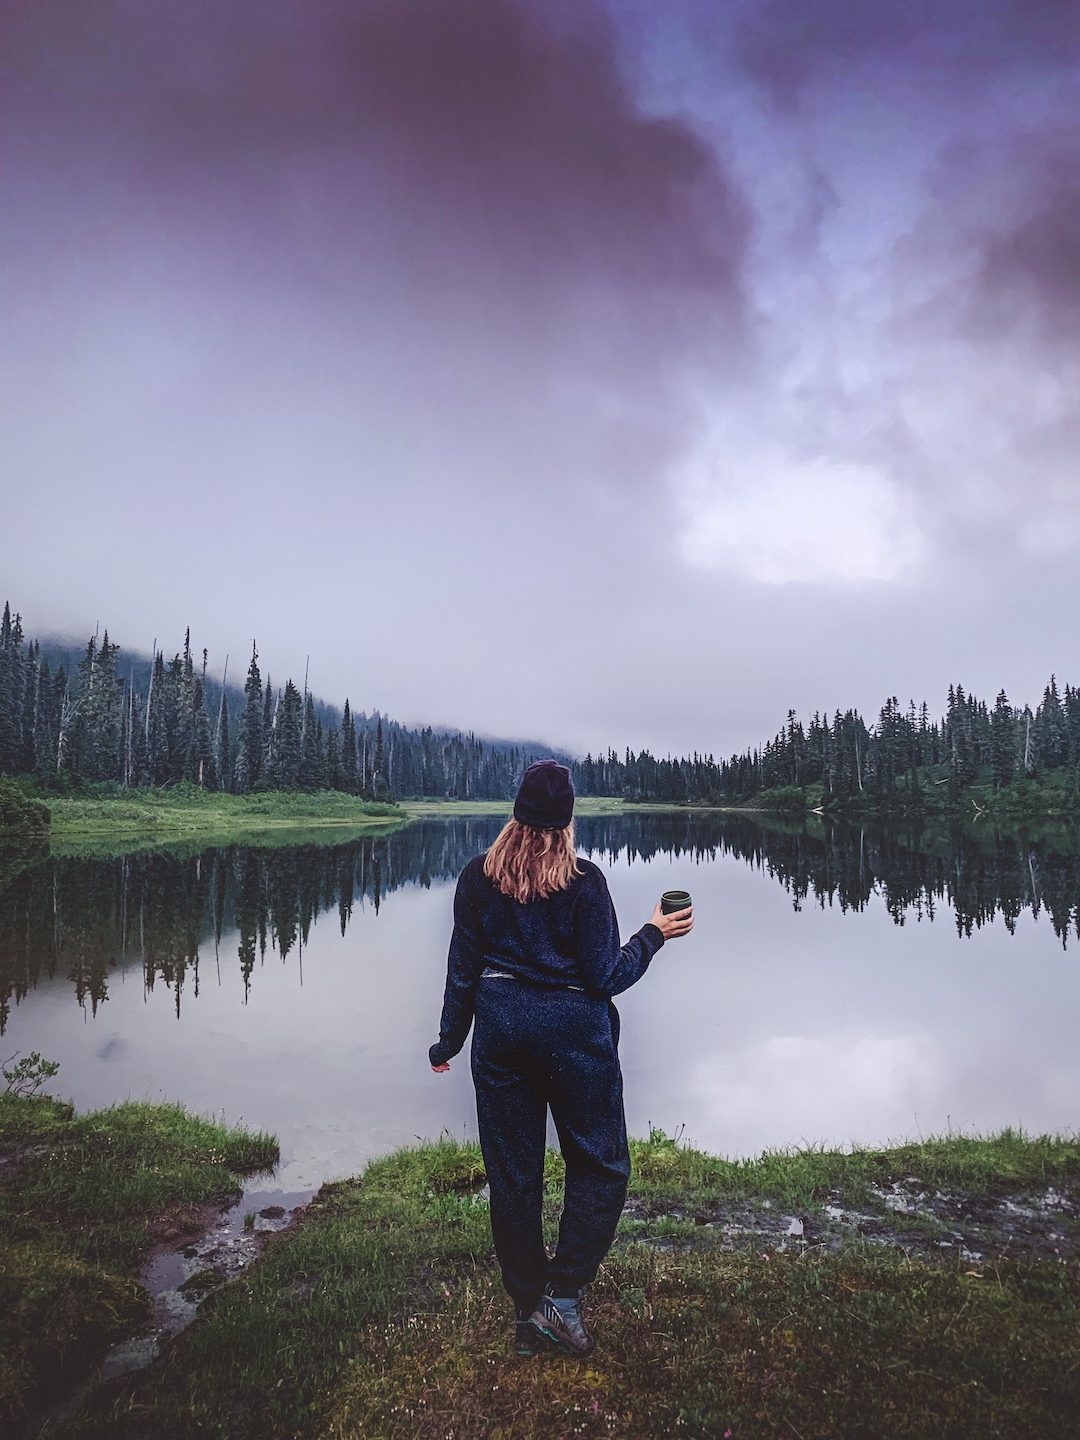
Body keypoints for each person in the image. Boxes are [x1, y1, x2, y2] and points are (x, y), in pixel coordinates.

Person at [429, 760, 693, 1357]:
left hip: (500, 1039)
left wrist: (449, 1040)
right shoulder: (585, 882)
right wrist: (654, 932)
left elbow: (462, 969)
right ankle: (563, 1298)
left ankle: (529, 1314)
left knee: (513, 1177)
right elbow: (605, 976)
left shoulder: (477, 877)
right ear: (568, 819)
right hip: (576, 1039)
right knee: (600, 1166)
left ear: (515, 814)